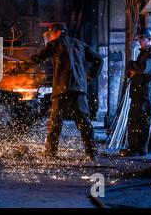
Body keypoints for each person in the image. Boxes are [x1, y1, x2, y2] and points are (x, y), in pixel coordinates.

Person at [19, 23, 103, 160]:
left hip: (62, 89)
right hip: (79, 89)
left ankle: (50, 154)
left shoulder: (55, 44)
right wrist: (90, 76)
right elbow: (99, 59)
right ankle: (92, 153)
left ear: (57, 32)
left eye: (51, 33)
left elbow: (37, 59)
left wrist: (17, 68)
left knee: (55, 123)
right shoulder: (79, 44)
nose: (50, 36)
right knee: (84, 122)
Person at [120, 28, 151, 157]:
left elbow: (143, 68)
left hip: (146, 94)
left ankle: (141, 149)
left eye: (141, 39)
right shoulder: (144, 53)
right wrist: (133, 68)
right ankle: (133, 147)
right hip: (137, 93)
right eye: (138, 39)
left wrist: (131, 64)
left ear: (149, 39)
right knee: (133, 121)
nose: (139, 42)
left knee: (143, 123)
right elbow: (135, 71)